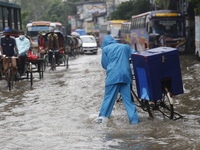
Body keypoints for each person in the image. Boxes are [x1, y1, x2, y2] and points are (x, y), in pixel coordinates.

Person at [98, 35, 140, 124]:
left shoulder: (106, 49)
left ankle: (101, 120)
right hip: (126, 76)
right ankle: (134, 121)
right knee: (128, 101)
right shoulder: (125, 47)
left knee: (108, 99)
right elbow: (135, 55)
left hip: (113, 77)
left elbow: (104, 65)